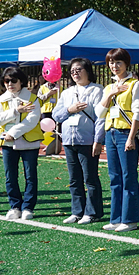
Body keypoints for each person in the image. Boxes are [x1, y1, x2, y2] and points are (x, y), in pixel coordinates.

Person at [95, 48, 139, 231]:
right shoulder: (109, 87)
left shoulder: (136, 84)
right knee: (114, 177)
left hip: (126, 133)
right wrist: (111, 94)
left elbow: (138, 112)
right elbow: (99, 113)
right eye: (111, 62)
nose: (114, 66)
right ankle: (116, 218)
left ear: (126, 64)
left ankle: (130, 219)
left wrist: (132, 137)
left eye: (118, 62)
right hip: (110, 133)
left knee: (128, 176)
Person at [52, 57, 104, 225]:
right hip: (69, 140)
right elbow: (56, 115)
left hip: (87, 140)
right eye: (72, 71)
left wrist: (98, 140)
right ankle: (77, 211)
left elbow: (101, 118)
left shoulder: (97, 90)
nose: (75, 73)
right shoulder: (67, 92)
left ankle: (92, 212)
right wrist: (70, 109)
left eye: (78, 70)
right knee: (74, 179)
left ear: (88, 71)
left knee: (90, 178)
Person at [0, 67, 43, 220]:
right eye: (6, 81)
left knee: (30, 175)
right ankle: (15, 206)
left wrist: (12, 133)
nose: (10, 84)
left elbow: (32, 121)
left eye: (14, 80)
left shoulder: (32, 98)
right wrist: (16, 111)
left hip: (28, 142)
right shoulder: (1, 99)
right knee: (10, 176)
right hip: (7, 143)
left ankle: (28, 207)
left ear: (21, 81)